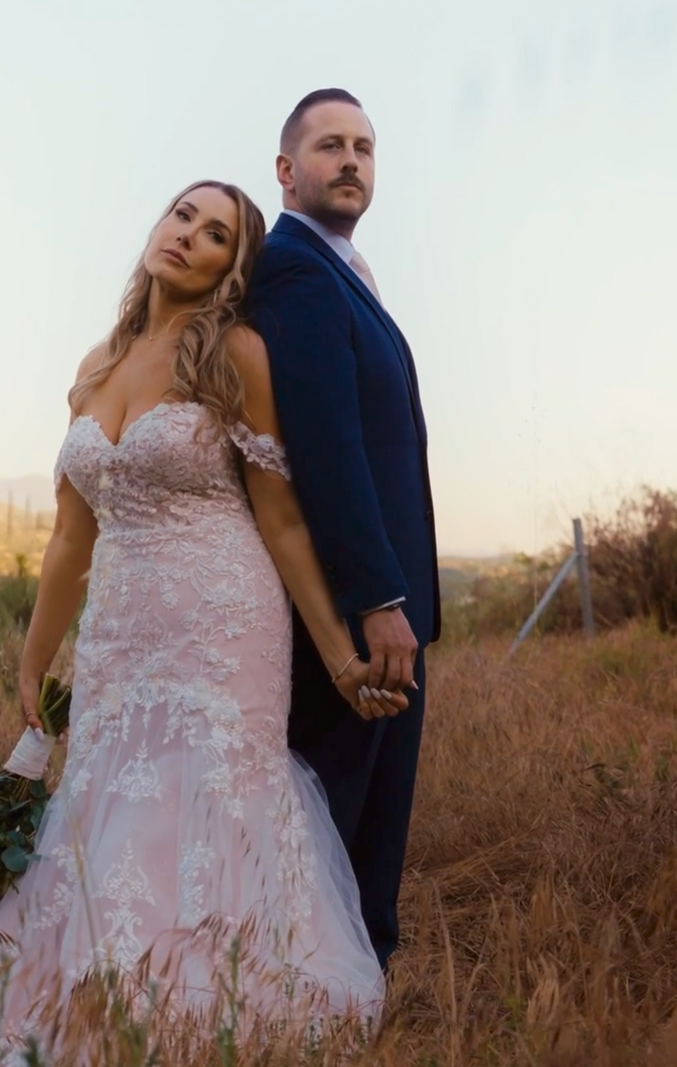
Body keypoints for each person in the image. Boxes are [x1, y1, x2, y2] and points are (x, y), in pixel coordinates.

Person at [0, 179, 396, 1066]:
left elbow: (280, 519)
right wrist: (36, 654)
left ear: (231, 268)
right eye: (182, 215)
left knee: (204, 803)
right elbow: (68, 536)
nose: (189, 237)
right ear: (158, 226)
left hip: (223, 618)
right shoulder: (94, 368)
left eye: (216, 235)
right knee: (109, 806)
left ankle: (202, 991)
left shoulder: (236, 354)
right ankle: (94, 975)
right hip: (120, 628)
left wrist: (342, 656)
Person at [245, 88, 440, 971]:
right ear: (287, 173)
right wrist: (376, 598)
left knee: (374, 825)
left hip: (386, 603)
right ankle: (321, 995)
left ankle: (354, 991)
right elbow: (323, 444)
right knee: (338, 820)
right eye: (329, 146)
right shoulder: (292, 267)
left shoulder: (342, 270)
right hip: (359, 614)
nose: (351, 160)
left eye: (364, 146)